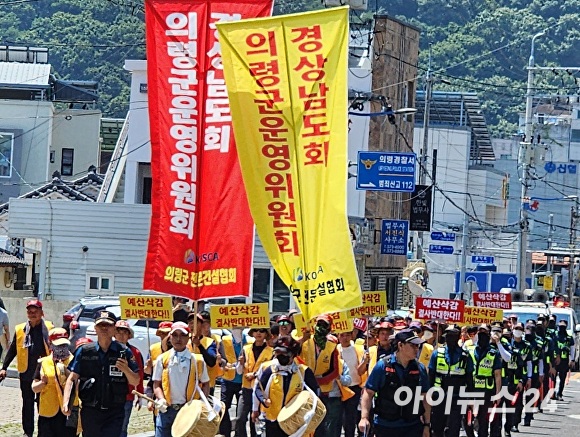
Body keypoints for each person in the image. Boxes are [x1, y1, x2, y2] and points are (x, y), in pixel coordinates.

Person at [62, 310, 140, 437]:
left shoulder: (124, 352)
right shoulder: (84, 351)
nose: (104, 328)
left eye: (108, 325)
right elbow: (72, 378)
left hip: (114, 412)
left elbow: (135, 381)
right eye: (100, 325)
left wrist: (126, 369)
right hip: (90, 410)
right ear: (95, 328)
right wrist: (66, 402)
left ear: (114, 328)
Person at [358, 329, 431, 437]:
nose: (417, 349)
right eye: (413, 345)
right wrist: (364, 418)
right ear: (400, 345)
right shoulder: (382, 366)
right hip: (385, 426)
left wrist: (426, 425)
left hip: (412, 426)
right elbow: (368, 393)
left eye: (418, 346)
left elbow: (425, 397)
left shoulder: (420, 368)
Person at [0, 299, 54, 437]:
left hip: (44, 373)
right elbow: (13, 350)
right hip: (26, 373)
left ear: (42, 313)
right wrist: (4, 367)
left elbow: (56, 348)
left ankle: (43, 431)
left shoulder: (49, 328)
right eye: (30, 311)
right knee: (27, 404)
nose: (32, 313)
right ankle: (27, 432)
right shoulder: (20, 329)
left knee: (43, 404)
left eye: (35, 311)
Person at [253, 336, 319, 437]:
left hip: (295, 422)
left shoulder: (303, 372)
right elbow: (258, 388)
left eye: (284, 353)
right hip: (273, 420)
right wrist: (263, 400)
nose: (280, 356)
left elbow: (315, 392)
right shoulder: (270, 370)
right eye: (278, 352)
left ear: (292, 354)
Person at [152, 321, 210, 437]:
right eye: (175, 335)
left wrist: (201, 404)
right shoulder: (162, 359)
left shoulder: (197, 360)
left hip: (188, 411)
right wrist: (161, 399)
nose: (179, 339)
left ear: (188, 338)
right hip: (167, 410)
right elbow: (156, 384)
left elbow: (206, 383)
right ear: (170, 337)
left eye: (183, 335)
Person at [32, 328, 79, 437]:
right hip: (48, 412)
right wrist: (42, 383)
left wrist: (66, 372)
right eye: (58, 345)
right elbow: (34, 387)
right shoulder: (43, 363)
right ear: (50, 344)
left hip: (69, 410)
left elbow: (78, 383)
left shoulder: (75, 361)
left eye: (64, 345)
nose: (62, 348)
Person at [299, 314, 340, 437]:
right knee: (304, 422)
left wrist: (319, 381)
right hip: (304, 388)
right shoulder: (305, 342)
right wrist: (302, 339)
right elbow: (292, 353)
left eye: (324, 325)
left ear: (329, 328)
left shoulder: (332, 346)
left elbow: (335, 371)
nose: (320, 327)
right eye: (319, 324)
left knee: (320, 424)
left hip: (323, 391)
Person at [429, 326, 473, 437]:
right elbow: (430, 376)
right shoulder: (437, 354)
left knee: (454, 429)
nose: (450, 339)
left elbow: (469, 379)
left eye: (453, 336)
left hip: (457, 397)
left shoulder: (465, 356)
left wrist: (471, 399)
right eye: (448, 336)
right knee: (436, 429)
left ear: (458, 337)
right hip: (439, 397)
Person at [465, 324, 503, 437]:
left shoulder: (493, 353)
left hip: (487, 391)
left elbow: (498, 375)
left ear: (489, 334)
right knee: (467, 420)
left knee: (483, 421)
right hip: (471, 389)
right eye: (480, 332)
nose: (482, 335)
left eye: (485, 333)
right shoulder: (470, 350)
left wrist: (498, 394)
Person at [236, 327, 273, 437]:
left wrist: (255, 374)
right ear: (252, 333)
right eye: (256, 330)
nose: (259, 333)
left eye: (262, 331)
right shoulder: (245, 348)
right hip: (246, 389)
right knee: (240, 418)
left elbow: (270, 370)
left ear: (266, 334)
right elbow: (238, 371)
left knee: (255, 421)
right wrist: (241, 363)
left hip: (260, 391)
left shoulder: (271, 351)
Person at [114, 320, 145, 437]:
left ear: (129, 335)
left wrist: (140, 394)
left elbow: (140, 374)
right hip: (109, 395)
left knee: (122, 428)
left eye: (124, 333)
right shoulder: (107, 349)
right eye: (118, 332)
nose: (121, 335)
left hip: (127, 395)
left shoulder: (135, 352)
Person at [337, 330, 367, 437]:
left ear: (352, 335)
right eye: (342, 335)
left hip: (354, 388)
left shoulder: (357, 350)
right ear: (338, 336)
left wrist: (365, 362)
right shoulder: (335, 350)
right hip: (339, 389)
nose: (345, 338)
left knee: (351, 418)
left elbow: (361, 371)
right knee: (339, 418)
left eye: (348, 335)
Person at [217, 327, 246, 437]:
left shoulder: (249, 340)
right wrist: (224, 363)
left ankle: (238, 434)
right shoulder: (224, 340)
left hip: (243, 381)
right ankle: (225, 432)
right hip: (227, 379)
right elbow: (220, 357)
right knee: (224, 408)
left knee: (241, 413)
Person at [187, 312, 219, 392]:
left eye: (195, 323)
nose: (192, 325)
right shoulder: (185, 341)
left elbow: (211, 362)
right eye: (190, 323)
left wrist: (199, 345)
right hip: (188, 385)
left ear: (201, 326)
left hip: (205, 386)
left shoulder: (209, 342)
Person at [554, 319, 575, 401]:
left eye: (563, 326)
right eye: (560, 326)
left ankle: (560, 393)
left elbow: (572, 349)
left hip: (564, 361)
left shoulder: (569, 337)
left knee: (562, 378)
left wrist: (572, 360)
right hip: (555, 360)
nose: (561, 328)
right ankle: (552, 393)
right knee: (553, 377)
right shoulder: (555, 336)